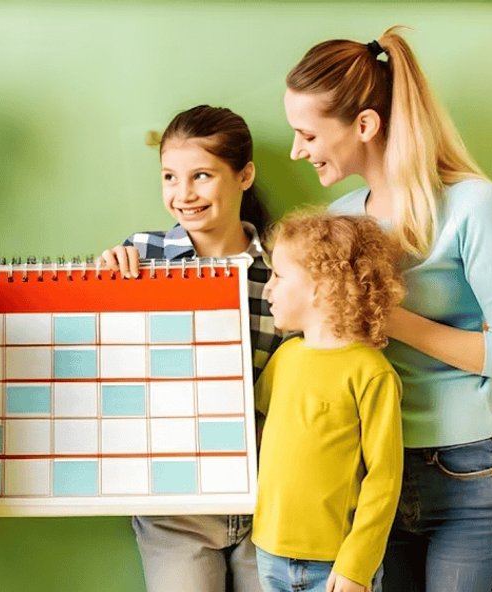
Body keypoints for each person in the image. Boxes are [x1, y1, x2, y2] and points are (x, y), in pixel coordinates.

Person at [283, 26, 492, 592]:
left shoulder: (473, 206)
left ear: (365, 125)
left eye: (307, 134)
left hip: (470, 478)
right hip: (376, 480)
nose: (296, 151)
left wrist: (387, 316)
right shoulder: (344, 217)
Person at [99, 105, 279, 592]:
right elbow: (109, 369)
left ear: (245, 176)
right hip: (176, 507)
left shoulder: (286, 265)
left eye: (201, 176)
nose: (184, 195)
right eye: (170, 177)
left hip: (270, 497)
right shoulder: (140, 256)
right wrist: (100, 288)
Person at [253, 211, 405, 592]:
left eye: (278, 276)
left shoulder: (371, 372)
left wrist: (357, 564)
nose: (268, 289)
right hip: (269, 553)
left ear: (321, 286)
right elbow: (253, 426)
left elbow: (384, 479)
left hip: (336, 566)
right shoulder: (285, 358)